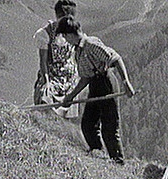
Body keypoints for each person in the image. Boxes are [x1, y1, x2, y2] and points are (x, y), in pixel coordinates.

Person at [55, 15, 136, 165]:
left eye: (65, 36)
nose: (65, 40)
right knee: (88, 125)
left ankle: (118, 163)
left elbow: (115, 58)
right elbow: (85, 78)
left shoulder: (91, 44)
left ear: (70, 35)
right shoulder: (78, 50)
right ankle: (99, 154)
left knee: (109, 128)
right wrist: (71, 96)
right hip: (95, 86)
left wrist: (126, 82)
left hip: (107, 84)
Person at [33, 0, 80, 118]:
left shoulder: (72, 31)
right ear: (58, 17)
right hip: (52, 76)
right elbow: (43, 61)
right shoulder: (46, 33)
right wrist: (46, 81)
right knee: (45, 96)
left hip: (70, 77)